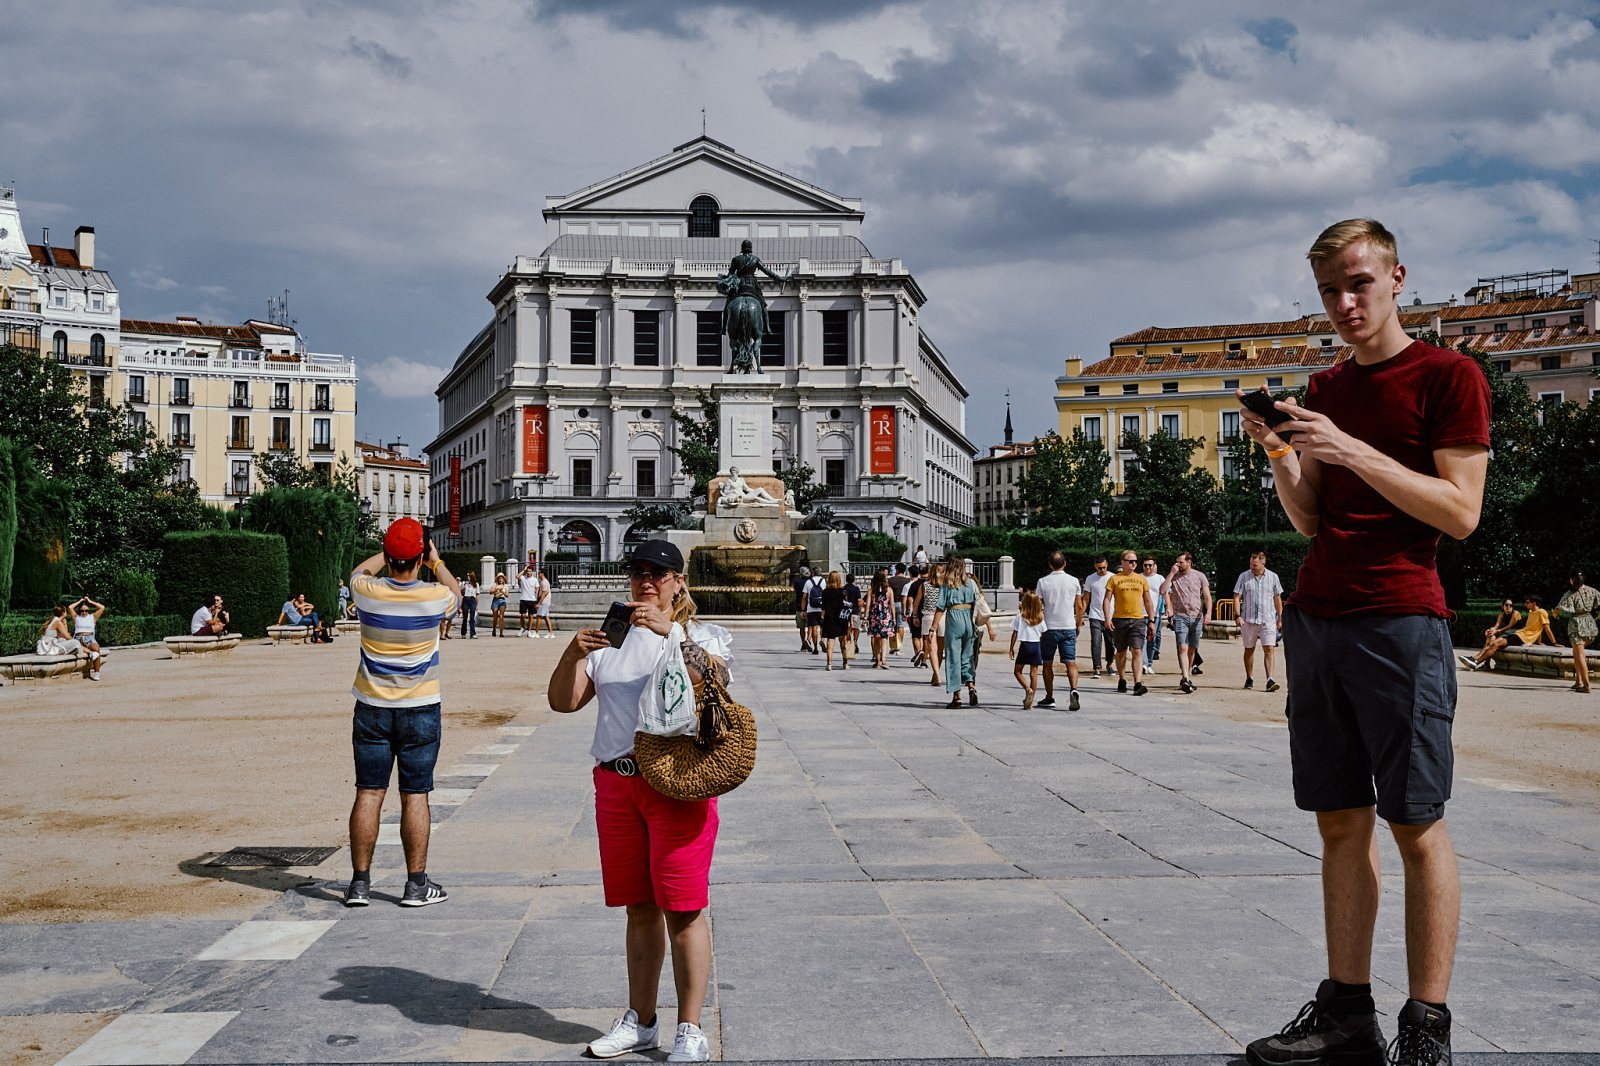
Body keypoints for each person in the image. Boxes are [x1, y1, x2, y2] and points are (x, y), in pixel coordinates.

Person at [1240, 219, 1491, 1066]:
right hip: (1320, 617)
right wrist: (1282, 453)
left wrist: (1349, 447)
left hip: (1401, 620)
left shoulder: (1448, 376)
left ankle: (1428, 1024)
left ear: (1396, 279)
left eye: (1359, 285)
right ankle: (1348, 1012)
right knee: (1338, 823)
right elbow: (1314, 517)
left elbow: (1460, 513)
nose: (1344, 304)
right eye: (1328, 291)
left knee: (1417, 823)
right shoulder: (1325, 385)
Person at [548, 540, 730, 1063]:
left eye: (659, 573)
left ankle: (691, 1028)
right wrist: (572, 652)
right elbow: (564, 702)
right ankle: (641, 1020)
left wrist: (669, 631)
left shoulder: (698, 635)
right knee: (639, 908)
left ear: (678, 582)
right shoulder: (610, 638)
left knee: (685, 909)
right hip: (616, 782)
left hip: (676, 784)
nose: (647, 581)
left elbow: (716, 679)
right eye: (639, 572)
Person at [345, 518, 460, 909]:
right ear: (419, 555)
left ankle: (360, 884)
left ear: (389, 554)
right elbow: (456, 592)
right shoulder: (432, 596)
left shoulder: (367, 592)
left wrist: (389, 552)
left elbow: (358, 571)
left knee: (369, 792)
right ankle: (415, 885)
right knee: (415, 796)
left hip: (372, 707)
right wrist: (435, 561)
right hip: (420, 708)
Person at [1102, 551, 1155, 696]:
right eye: (1130, 561)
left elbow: (1148, 601)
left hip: (1138, 619)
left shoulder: (1141, 579)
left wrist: (1151, 620)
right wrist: (1107, 618)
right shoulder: (1114, 579)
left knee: (1137, 650)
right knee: (1121, 652)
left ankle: (1137, 683)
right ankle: (1122, 678)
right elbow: (1107, 599)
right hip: (1119, 619)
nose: (1133, 564)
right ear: (1123, 562)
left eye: (1135, 561)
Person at [1035, 551, 1083, 711]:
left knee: (1047, 663)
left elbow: (1038, 607)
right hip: (1068, 625)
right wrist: (1078, 623)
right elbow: (1080, 606)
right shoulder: (1074, 581)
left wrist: (1038, 625)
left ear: (1050, 564)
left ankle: (1049, 697)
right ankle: (1074, 688)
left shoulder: (1043, 582)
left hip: (1049, 627)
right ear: (1065, 564)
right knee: (1071, 660)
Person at [933, 556, 981, 707]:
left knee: (953, 658)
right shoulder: (971, 582)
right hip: (968, 619)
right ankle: (971, 686)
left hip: (954, 618)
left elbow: (940, 607)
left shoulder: (947, 584)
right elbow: (978, 602)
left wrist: (933, 627)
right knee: (968, 657)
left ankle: (957, 696)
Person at [1234, 552, 1285, 692]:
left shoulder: (1273, 577)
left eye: (1255, 565)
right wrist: (1237, 615)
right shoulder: (1244, 577)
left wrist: (1280, 617)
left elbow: (1277, 598)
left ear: (1263, 563)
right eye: (1251, 564)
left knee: (1269, 648)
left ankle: (1270, 679)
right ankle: (1249, 677)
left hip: (1267, 619)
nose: (1252, 567)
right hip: (1248, 620)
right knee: (1249, 649)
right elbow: (1237, 597)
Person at [1164, 552, 1212, 695]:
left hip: (1196, 616)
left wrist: (1208, 613)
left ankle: (1187, 675)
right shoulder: (1175, 576)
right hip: (1180, 616)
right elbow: (1162, 590)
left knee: (1192, 649)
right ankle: (1185, 676)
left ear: (1189, 562)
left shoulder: (1200, 576)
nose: (1178, 564)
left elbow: (1207, 596)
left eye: (1181, 562)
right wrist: (1171, 574)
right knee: (1182, 647)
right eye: (1177, 562)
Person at [1552, 571, 1596, 694]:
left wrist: (1555, 615)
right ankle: (1578, 681)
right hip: (1590, 623)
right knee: (1576, 653)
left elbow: (1558, 609)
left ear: (1572, 580)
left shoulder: (1570, 593)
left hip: (1577, 624)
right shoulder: (1592, 591)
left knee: (1580, 655)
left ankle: (1586, 685)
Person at [1458, 598, 1520, 671]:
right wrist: (1491, 630)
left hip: (1515, 634)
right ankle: (1484, 663)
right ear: (1503, 606)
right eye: (1506, 605)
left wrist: (1497, 631)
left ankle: (1475, 659)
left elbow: (1509, 626)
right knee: (1491, 637)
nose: (1509, 607)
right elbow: (1497, 625)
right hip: (1507, 634)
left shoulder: (1516, 613)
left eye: (1511, 605)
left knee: (1492, 643)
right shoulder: (1502, 615)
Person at [37, 607, 100, 677]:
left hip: (49, 644)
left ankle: (91, 653)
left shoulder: (54, 620)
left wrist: (65, 624)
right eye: (66, 611)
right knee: (75, 642)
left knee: (68, 641)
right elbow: (67, 636)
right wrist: (74, 640)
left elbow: (62, 636)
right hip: (51, 646)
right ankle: (91, 653)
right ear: (63, 613)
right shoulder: (57, 622)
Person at [1010, 590, 1047, 708]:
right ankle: (1031, 698)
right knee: (1034, 674)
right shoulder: (1040, 618)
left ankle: (1027, 689)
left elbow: (1015, 633)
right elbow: (1043, 632)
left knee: (1017, 671)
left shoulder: (1020, 617)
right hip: (1036, 646)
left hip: (1025, 645)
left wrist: (1011, 648)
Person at [1081, 556, 1112, 678]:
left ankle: (1109, 664)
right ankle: (1097, 667)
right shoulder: (1090, 579)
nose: (1102, 570)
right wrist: (1081, 615)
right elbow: (1086, 598)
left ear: (1107, 565)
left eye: (1104, 567)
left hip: (1111, 615)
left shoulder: (1113, 577)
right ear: (1095, 567)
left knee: (1111, 643)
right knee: (1096, 642)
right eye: (1099, 568)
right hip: (1095, 615)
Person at [917, 562, 944, 685]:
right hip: (942, 616)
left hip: (928, 616)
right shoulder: (946, 586)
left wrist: (914, 615)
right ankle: (936, 673)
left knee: (932, 648)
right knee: (939, 649)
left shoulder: (925, 585)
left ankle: (936, 674)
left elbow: (917, 602)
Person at [70, 596, 108, 681]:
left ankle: (97, 673)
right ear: (79, 611)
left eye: (86, 610)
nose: (84, 612)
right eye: (82, 610)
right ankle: (91, 654)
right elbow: (70, 607)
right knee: (79, 646)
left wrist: (90, 602)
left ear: (88, 611)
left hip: (89, 638)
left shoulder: (92, 617)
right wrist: (80, 601)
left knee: (96, 649)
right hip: (78, 638)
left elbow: (102, 607)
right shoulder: (76, 617)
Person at [819, 571, 851, 670]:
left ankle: (829, 663)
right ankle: (845, 663)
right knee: (843, 642)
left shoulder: (825, 591)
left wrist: (822, 619)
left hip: (830, 618)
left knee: (830, 641)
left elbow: (823, 607)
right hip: (841, 619)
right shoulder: (843, 591)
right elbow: (847, 606)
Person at [865, 569, 897, 669]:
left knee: (876, 639)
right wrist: (894, 618)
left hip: (875, 616)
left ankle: (878, 661)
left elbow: (868, 605)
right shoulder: (889, 590)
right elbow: (892, 605)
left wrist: (865, 617)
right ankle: (884, 660)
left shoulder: (871, 590)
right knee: (884, 638)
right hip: (886, 616)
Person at [1141, 557, 1166, 673]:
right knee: (1142, 639)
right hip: (1140, 612)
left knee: (1152, 638)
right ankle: (1144, 663)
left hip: (1154, 613)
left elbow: (1165, 594)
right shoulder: (1139, 577)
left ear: (1154, 565)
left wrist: (1168, 608)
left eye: (1150, 565)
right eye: (1145, 565)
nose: (1148, 567)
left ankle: (1149, 663)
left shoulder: (1160, 578)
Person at [905, 565, 926, 666]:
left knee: (916, 635)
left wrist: (908, 612)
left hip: (917, 612)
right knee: (926, 637)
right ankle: (924, 660)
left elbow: (910, 599)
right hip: (929, 612)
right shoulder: (932, 584)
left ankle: (918, 652)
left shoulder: (914, 584)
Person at [888, 563, 911, 655]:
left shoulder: (891, 580)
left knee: (893, 626)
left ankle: (893, 646)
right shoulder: (907, 580)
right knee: (901, 626)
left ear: (896, 570)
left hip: (893, 604)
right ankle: (899, 646)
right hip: (903, 604)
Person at [803, 567, 826, 654]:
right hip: (821, 608)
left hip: (811, 609)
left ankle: (815, 648)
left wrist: (803, 610)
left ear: (813, 573)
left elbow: (804, 597)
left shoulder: (808, 582)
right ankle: (823, 640)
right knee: (823, 627)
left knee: (814, 628)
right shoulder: (823, 581)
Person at [843, 569, 864, 657]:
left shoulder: (843, 589)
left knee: (848, 628)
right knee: (856, 628)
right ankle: (855, 641)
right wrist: (860, 610)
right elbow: (859, 601)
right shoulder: (856, 589)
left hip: (846, 611)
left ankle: (849, 641)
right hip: (854, 611)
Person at [518, 563, 541, 637]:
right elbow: (517, 576)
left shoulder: (535, 580)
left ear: (532, 572)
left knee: (531, 616)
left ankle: (529, 630)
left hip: (532, 599)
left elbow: (537, 588)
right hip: (523, 598)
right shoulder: (523, 578)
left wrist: (536, 594)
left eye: (530, 571)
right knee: (522, 615)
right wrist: (524, 570)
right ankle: (522, 627)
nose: (528, 572)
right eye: (527, 571)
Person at [534, 566, 557, 637]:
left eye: (539, 573)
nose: (538, 574)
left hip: (544, 601)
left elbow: (544, 593)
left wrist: (538, 603)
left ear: (542, 573)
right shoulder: (543, 581)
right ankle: (551, 633)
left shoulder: (544, 582)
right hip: (546, 601)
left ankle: (536, 633)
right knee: (546, 617)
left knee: (539, 616)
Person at [459, 574, 480, 639]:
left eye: (469, 575)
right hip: (466, 599)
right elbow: (460, 591)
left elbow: (477, 595)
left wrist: (477, 604)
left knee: (472, 618)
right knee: (465, 617)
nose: (467, 576)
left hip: (472, 599)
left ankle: (473, 633)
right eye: (467, 575)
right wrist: (463, 590)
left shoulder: (476, 584)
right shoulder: (464, 583)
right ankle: (463, 633)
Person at [490, 573, 510, 637]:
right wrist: (496, 588)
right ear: (498, 579)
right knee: (495, 615)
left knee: (501, 616)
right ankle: (494, 629)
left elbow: (507, 595)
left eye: (502, 578)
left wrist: (502, 591)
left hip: (502, 600)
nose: (501, 579)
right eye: (499, 578)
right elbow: (490, 592)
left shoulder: (506, 586)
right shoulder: (495, 585)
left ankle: (501, 632)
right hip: (495, 600)